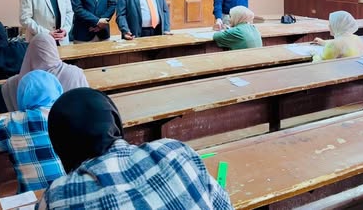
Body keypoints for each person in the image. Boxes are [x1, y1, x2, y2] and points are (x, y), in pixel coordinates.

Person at [38, 88, 233, 210]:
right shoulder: (174, 150)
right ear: (115, 121)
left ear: (60, 143)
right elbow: (224, 205)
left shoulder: (59, 195)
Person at [0, 70, 65, 193]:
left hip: (33, 199)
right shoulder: (67, 116)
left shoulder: (14, 122)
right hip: (68, 193)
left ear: (22, 95)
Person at [0, 32, 89, 113]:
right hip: (72, 127)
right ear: (53, 49)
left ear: (29, 52)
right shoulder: (75, 73)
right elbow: (86, 101)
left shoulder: (21, 82)